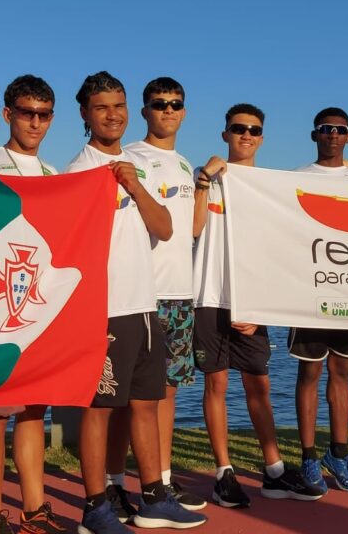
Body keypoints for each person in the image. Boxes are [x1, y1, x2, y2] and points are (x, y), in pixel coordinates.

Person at [66, 71, 206, 534]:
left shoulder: (135, 164)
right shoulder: (77, 169)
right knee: (98, 410)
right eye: (102, 107)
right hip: (103, 310)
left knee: (146, 403)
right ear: (85, 113)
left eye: (119, 105)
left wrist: (134, 186)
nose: (113, 115)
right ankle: (95, 508)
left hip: (145, 304)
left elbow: (165, 228)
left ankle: (153, 497)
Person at [192, 103, 324, 508]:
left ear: (262, 138)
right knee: (216, 384)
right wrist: (202, 183)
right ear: (225, 134)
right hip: (209, 296)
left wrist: (262, 306)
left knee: (259, 387)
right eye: (238, 128)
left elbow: (279, 253)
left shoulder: (270, 186)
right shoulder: (207, 177)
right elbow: (193, 230)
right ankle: (224, 473)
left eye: (253, 130)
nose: (245, 135)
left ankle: (274, 472)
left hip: (252, 301)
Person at [0, 75, 66, 534]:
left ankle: (35, 507)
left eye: (44, 114)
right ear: (7, 114)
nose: (35, 122)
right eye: (26, 112)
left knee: (34, 410)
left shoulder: (53, 175)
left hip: (41, 306)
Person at [122, 77, 206, 511]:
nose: (168, 110)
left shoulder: (184, 164)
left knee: (169, 392)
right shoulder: (130, 158)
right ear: (145, 111)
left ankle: (164, 480)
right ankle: (121, 482)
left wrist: (206, 184)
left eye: (175, 104)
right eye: (159, 104)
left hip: (180, 293)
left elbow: (191, 230)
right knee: (135, 397)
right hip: (142, 292)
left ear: (184, 111)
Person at [289, 107, 348, 494]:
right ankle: (308, 458)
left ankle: (339, 453)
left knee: (342, 373)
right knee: (310, 374)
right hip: (310, 289)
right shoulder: (296, 178)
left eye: (340, 130)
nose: (333, 135)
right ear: (314, 134)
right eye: (326, 129)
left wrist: (347, 167)